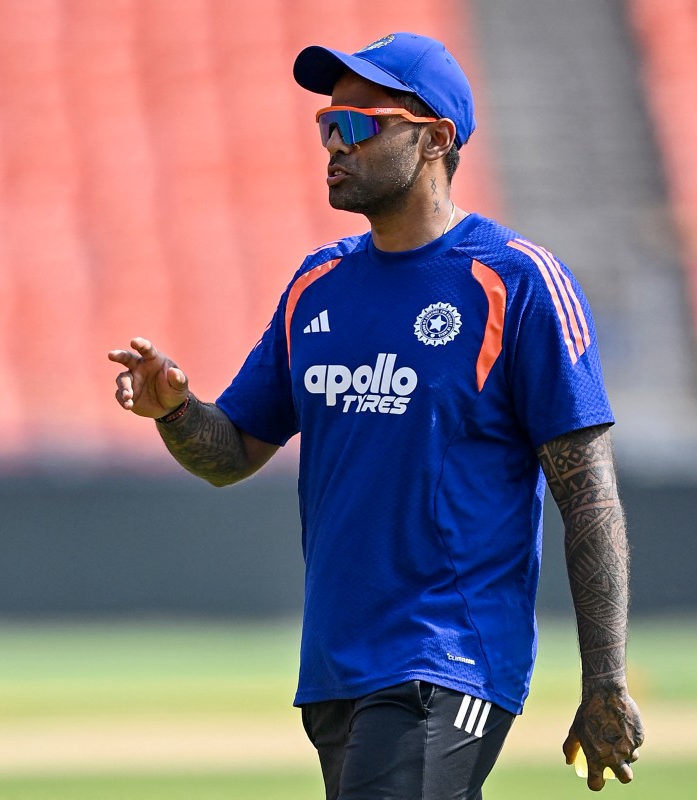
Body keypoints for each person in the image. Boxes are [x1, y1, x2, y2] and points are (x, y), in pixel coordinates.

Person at [108, 31, 644, 797]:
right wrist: (175, 411)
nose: (335, 142)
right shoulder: (316, 283)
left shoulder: (516, 283)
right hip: (334, 668)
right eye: (327, 126)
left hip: (448, 659)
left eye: (360, 125)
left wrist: (606, 682)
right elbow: (232, 454)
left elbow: (589, 497)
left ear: (435, 141)